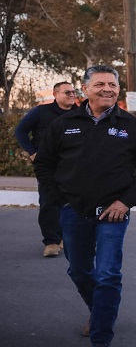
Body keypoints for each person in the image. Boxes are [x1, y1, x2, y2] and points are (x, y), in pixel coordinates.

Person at [34, 65, 136, 347]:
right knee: (79, 271)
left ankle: (101, 337)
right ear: (85, 89)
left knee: (107, 275)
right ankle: (100, 311)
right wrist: (60, 200)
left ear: (118, 89)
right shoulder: (64, 124)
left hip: (113, 214)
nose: (107, 89)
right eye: (100, 84)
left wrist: (125, 202)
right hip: (73, 211)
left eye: (113, 85)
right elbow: (44, 164)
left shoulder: (131, 126)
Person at [15, 81, 77, 257]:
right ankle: (51, 242)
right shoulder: (41, 112)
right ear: (56, 94)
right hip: (47, 165)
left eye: (74, 92)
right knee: (49, 201)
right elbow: (20, 131)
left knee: (72, 202)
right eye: (67, 92)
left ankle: (65, 237)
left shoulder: (80, 113)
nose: (72, 95)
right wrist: (32, 152)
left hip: (73, 165)